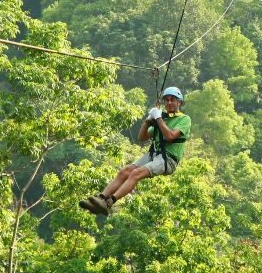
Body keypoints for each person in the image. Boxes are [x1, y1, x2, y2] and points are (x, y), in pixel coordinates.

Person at [80, 86, 192, 215]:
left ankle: (109, 202)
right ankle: (101, 198)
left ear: (179, 102)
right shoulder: (162, 119)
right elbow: (142, 137)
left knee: (136, 173)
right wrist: (148, 121)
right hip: (154, 154)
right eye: (166, 100)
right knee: (125, 171)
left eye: (173, 100)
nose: (169, 102)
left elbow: (170, 136)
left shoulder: (184, 119)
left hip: (168, 159)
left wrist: (158, 118)